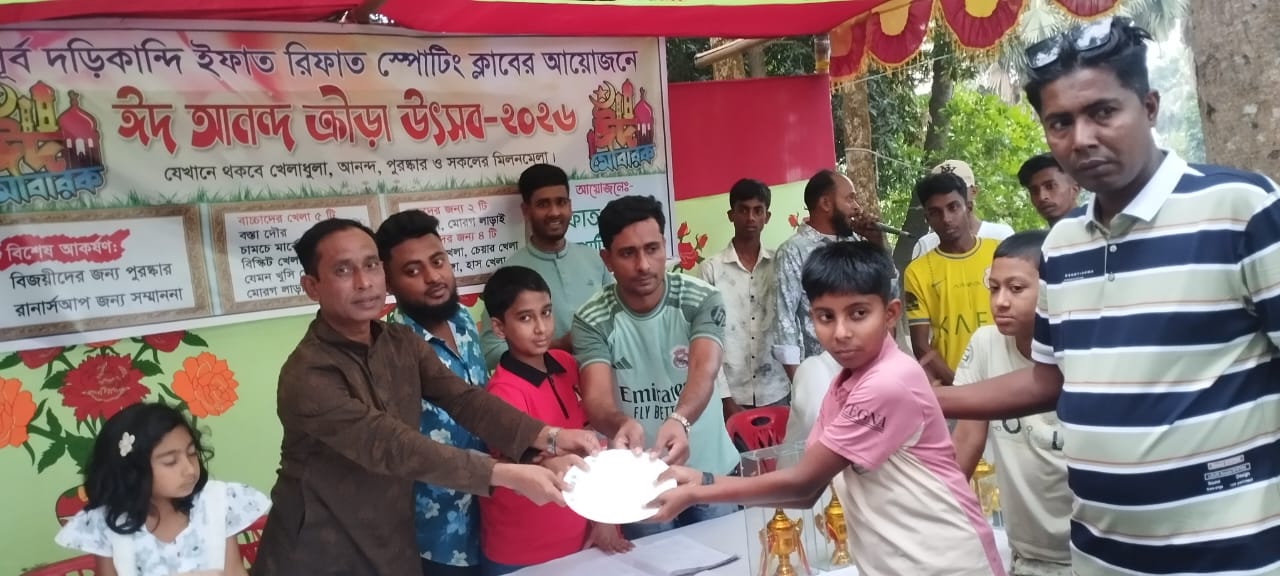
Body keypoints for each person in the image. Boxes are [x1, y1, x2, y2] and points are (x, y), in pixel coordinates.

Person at [933, 17, 1280, 575]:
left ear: (1149, 106)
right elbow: (1048, 380)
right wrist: (925, 398)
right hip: (1099, 557)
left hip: (1230, 557)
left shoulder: (1241, 209)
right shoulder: (1063, 243)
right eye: (1060, 122)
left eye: (1103, 112)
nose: (1082, 138)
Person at [253, 218, 602, 576]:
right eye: (343, 270)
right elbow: (391, 445)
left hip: (392, 537)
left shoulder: (399, 342)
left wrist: (550, 437)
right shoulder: (308, 374)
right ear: (312, 286)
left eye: (371, 265)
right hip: (318, 547)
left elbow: (464, 399)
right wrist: (508, 474)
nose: (364, 282)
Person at [649, 241, 1004, 576]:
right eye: (825, 317)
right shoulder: (840, 384)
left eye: (858, 314)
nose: (841, 332)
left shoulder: (888, 381)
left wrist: (701, 486)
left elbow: (804, 481)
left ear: (890, 313)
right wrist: (701, 484)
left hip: (947, 563)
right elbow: (806, 494)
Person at [573, 194, 739, 539]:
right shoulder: (591, 318)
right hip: (640, 483)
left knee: (729, 558)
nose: (644, 265)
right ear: (606, 259)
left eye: (652, 249)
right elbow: (597, 399)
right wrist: (619, 423)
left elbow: (704, 370)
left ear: (666, 246)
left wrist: (680, 419)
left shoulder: (701, 298)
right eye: (627, 253)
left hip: (709, 472)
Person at [478, 266, 631, 575]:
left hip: (580, 534)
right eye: (525, 318)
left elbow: (594, 450)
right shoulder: (503, 393)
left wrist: (604, 519)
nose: (541, 328)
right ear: (499, 327)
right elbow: (517, 468)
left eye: (546, 313)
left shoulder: (566, 364)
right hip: (522, 549)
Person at [375, 210, 490, 576]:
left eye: (438, 261)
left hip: (492, 513)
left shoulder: (464, 321)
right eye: (413, 271)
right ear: (389, 281)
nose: (433, 277)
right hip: (436, 534)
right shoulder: (388, 349)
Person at [949, 231, 1070, 575]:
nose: (1000, 301)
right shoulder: (986, 344)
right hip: (1026, 556)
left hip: (1090, 554)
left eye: (1016, 289)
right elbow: (966, 441)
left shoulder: (1082, 351)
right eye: (994, 288)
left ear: (1050, 290)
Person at [55, 403, 270, 576]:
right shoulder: (109, 524)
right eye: (170, 462)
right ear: (132, 471)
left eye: (192, 453)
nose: (189, 469)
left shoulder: (216, 503)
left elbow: (234, 571)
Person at [479, 163, 613, 369]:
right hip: (546, 385)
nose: (554, 212)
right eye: (543, 204)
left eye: (561, 202)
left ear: (570, 205)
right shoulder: (510, 274)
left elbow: (618, 318)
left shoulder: (592, 259)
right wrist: (557, 347)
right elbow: (491, 352)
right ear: (526, 210)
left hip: (605, 378)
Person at [772, 169, 883, 380]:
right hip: (822, 376)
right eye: (850, 198)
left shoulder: (857, 243)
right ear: (825, 203)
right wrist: (802, 384)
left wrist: (876, 245)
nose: (857, 207)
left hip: (865, 371)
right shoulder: (793, 251)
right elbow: (784, 320)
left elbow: (885, 294)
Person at [699, 178, 789, 414]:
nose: (751, 218)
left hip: (777, 389)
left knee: (782, 440)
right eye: (743, 210)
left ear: (767, 217)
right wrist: (724, 397)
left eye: (758, 211)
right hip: (730, 393)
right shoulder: (711, 269)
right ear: (731, 215)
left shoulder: (780, 264)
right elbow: (707, 338)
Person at [904, 172, 999, 386]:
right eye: (935, 212)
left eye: (953, 207)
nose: (946, 219)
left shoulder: (999, 253)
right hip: (954, 385)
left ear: (968, 207)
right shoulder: (917, 271)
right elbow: (921, 346)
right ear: (927, 218)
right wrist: (958, 385)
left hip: (1007, 378)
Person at [910, 160, 1015, 260]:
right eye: (940, 190)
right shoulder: (926, 245)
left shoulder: (1000, 236)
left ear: (974, 191)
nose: (948, 195)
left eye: (958, 187)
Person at [1017, 153, 1080, 226]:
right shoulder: (1041, 234)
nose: (1041, 197)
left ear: (1075, 188)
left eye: (1050, 186)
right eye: (1034, 191)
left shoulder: (1091, 228)